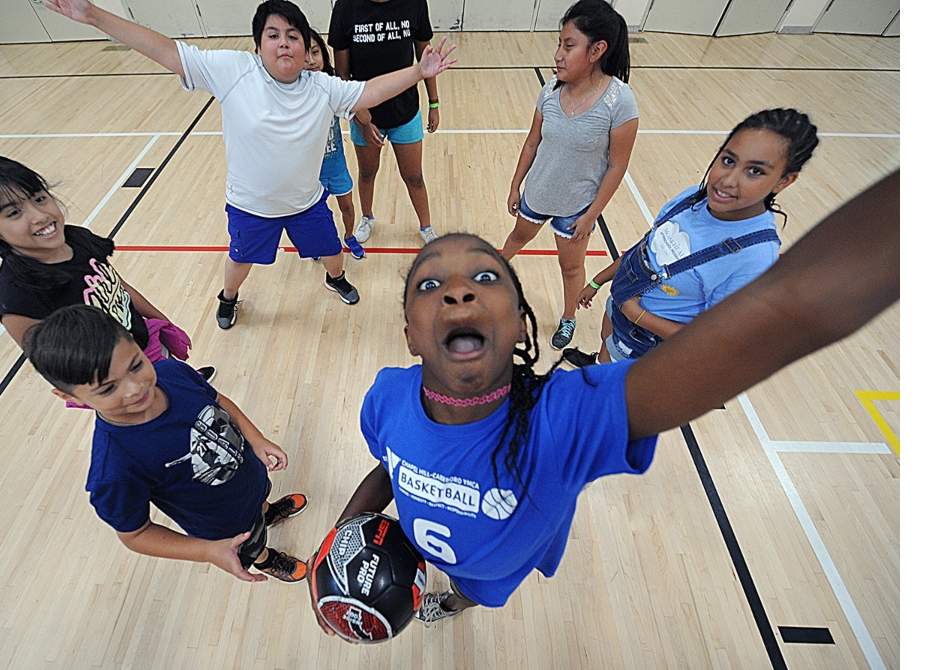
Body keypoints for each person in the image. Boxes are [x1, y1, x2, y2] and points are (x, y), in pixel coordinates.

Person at [314, 169, 898, 628]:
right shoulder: (386, 397)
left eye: (488, 278)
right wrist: (339, 541)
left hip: (499, 568)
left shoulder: (566, 415)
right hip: (416, 546)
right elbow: (388, 467)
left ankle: (458, 602)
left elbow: (792, 309)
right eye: (430, 285)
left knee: (477, 594)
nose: (459, 290)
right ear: (411, 334)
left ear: (521, 326)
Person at [44, 0, 456, 329]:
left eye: (292, 36)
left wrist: (419, 71)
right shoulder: (234, 71)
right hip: (250, 207)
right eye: (272, 35)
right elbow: (167, 51)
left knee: (332, 253)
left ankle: (335, 280)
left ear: (305, 46)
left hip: (306, 204)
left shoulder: (321, 87)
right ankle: (228, 299)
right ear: (258, 45)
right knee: (238, 263)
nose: (283, 43)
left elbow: (368, 91)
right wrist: (94, 15)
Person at [25, 305, 312, 583]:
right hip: (224, 525)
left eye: (136, 365)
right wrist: (207, 551)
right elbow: (135, 534)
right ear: (69, 397)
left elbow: (217, 400)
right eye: (109, 388)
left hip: (250, 476)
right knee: (251, 543)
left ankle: (266, 511)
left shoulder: (173, 373)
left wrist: (256, 439)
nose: (136, 387)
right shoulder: (114, 469)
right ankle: (266, 558)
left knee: (259, 501)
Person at [566, 108, 818, 367]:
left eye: (755, 171)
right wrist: (598, 282)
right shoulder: (693, 198)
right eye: (729, 161)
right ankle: (599, 362)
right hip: (621, 307)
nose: (728, 181)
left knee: (611, 389)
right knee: (607, 346)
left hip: (647, 341)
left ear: (784, 181)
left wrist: (637, 315)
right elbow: (647, 247)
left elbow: (712, 340)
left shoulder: (754, 257)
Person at [0, 154, 216, 385]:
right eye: (13, 213)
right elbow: (53, 367)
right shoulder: (16, 297)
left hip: (148, 347)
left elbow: (118, 286)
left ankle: (185, 379)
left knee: (184, 384)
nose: (40, 216)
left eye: (39, 199)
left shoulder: (76, 238)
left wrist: (165, 322)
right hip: (121, 383)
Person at [499, 0, 637, 351]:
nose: (558, 54)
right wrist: (516, 184)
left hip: (577, 208)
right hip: (539, 192)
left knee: (570, 269)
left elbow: (617, 166)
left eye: (568, 45)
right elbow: (532, 143)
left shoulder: (619, 102)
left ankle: (568, 317)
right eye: (559, 44)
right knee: (516, 239)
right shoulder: (549, 90)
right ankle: (491, 275)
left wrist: (591, 216)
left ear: (597, 50)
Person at [328, 0, 441, 246]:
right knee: (367, 173)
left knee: (414, 176)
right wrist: (362, 120)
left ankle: (426, 227)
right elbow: (343, 76)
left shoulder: (414, 4)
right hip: (365, 115)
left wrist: (434, 102)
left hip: (406, 112)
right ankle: (367, 218)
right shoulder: (347, 7)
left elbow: (426, 60)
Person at [306, 28, 364, 260]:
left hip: (336, 166)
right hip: (311, 172)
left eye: (316, 52)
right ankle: (317, 245)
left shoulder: (332, 87)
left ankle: (349, 236)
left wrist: (353, 94)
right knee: (316, 215)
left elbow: (363, 116)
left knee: (347, 207)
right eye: (305, 56)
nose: (311, 61)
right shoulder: (293, 95)